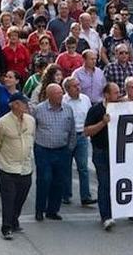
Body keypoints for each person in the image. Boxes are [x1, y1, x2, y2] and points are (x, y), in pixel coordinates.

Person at [0, 91, 35, 240]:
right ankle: (6, 227)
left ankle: (14, 220)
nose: (26, 106)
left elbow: (31, 138)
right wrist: (2, 159)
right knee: (8, 198)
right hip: (7, 167)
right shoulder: (2, 123)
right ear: (15, 105)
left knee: (21, 196)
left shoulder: (30, 121)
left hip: (25, 167)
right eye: (23, 103)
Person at [31, 83, 76, 222]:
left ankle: (52, 210)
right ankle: (40, 210)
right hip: (44, 150)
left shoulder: (68, 109)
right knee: (44, 180)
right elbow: (32, 128)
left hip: (62, 150)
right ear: (49, 95)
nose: (60, 95)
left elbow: (72, 130)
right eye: (57, 93)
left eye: (61, 93)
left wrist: (70, 148)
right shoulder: (39, 110)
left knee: (58, 182)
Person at [84, 82, 120, 231]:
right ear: (106, 94)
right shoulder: (96, 110)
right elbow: (87, 131)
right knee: (104, 184)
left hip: (118, 154)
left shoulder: (121, 107)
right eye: (116, 93)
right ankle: (106, 216)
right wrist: (103, 123)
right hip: (101, 152)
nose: (118, 95)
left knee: (117, 184)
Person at [63, 77, 95, 207]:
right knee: (66, 167)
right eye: (74, 86)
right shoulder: (64, 101)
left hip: (82, 135)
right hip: (67, 136)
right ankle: (66, 194)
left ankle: (85, 196)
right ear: (67, 89)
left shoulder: (85, 99)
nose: (78, 87)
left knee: (83, 168)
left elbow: (89, 116)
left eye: (78, 85)